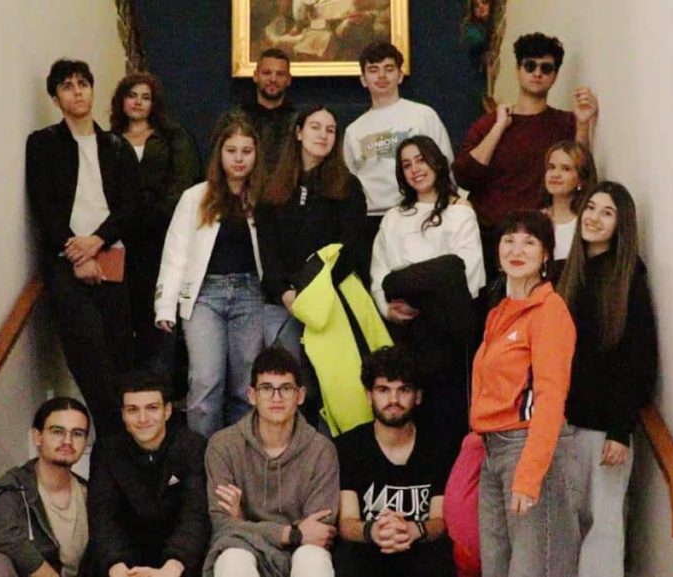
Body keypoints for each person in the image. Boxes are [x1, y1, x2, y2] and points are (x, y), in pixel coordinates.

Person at [26, 59, 140, 436]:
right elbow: (43, 205)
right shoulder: (43, 144)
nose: (77, 92)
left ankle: (122, 440)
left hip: (112, 258)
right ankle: (112, 438)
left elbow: (130, 207)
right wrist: (76, 252)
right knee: (88, 360)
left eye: (83, 84)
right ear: (55, 99)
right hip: (66, 263)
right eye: (67, 86)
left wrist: (97, 241)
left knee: (121, 357)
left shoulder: (117, 147)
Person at [556, 182, 658, 577]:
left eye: (607, 212)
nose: (594, 218)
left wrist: (620, 429)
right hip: (565, 423)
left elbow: (639, 359)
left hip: (606, 431)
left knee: (604, 525)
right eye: (590, 208)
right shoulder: (567, 276)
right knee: (567, 523)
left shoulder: (628, 277)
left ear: (621, 225)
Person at [469, 210, 579, 577]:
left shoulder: (549, 310)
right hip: (493, 451)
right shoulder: (498, 313)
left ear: (546, 254)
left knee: (534, 569)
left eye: (529, 242)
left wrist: (530, 476)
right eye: (509, 240)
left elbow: (551, 397)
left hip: (529, 448)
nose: (517, 250)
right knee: (496, 568)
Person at [452, 32, 599, 279]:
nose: (537, 73)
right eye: (530, 66)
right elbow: (464, 176)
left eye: (546, 68)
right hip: (487, 236)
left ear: (555, 75)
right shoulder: (489, 123)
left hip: (538, 238)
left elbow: (580, 172)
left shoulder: (564, 122)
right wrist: (499, 127)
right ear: (518, 70)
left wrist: (584, 124)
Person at [155, 113, 265, 438]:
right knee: (205, 380)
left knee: (246, 384)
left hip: (251, 294)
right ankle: (200, 459)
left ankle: (240, 456)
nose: (239, 159)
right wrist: (165, 306)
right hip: (204, 296)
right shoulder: (195, 197)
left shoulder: (263, 197)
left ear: (256, 155)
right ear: (219, 153)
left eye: (246, 151)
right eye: (231, 151)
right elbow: (176, 253)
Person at [370, 135, 485, 444]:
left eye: (421, 160)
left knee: (449, 421)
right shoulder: (394, 217)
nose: (415, 170)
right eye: (406, 165)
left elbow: (468, 276)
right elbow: (380, 274)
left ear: (436, 162)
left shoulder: (461, 212)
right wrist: (387, 308)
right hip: (408, 331)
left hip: (450, 332)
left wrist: (406, 282)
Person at [255, 104, 367, 394]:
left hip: (328, 301)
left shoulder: (348, 187)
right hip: (282, 302)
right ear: (298, 132)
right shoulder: (272, 186)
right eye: (315, 127)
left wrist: (314, 292)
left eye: (330, 130)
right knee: (285, 383)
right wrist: (285, 292)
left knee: (327, 387)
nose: (323, 135)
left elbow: (350, 247)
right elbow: (267, 249)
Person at [204, 347, 340, 577]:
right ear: (251, 395)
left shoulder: (321, 450)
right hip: (246, 550)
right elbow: (222, 525)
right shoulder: (223, 445)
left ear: (300, 395)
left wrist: (242, 522)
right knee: (232, 557)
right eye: (267, 388)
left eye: (286, 389)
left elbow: (319, 532)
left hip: (300, 553)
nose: (276, 398)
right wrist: (292, 533)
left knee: (313, 557)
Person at [334, 346, 455, 577]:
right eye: (383, 390)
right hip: (368, 556)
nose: (393, 399)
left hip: (421, 555)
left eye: (403, 390)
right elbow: (347, 522)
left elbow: (440, 520)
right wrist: (374, 531)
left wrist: (414, 530)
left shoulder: (439, 445)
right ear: (369, 396)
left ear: (417, 396)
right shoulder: (348, 447)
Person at [109, 72, 201, 378]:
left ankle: (163, 385)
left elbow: (184, 184)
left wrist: (153, 215)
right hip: (121, 239)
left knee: (160, 308)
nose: (138, 102)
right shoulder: (108, 140)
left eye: (145, 97)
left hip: (163, 234)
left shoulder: (173, 137)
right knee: (125, 314)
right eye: (132, 95)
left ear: (154, 103)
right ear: (121, 100)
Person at [343, 41, 455, 268]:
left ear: (400, 75)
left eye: (389, 68)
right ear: (363, 79)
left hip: (422, 213)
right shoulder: (354, 130)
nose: (381, 76)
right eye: (373, 70)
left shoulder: (423, 115)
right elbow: (348, 181)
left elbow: (446, 166)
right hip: (371, 221)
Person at [87, 372, 210, 577]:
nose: (143, 419)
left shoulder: (192, 446)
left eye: (152, 408)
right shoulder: (107, 451)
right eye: (133, 410)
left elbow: (195, 514)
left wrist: (172, 567)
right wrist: (117, 567)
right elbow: (103, 516)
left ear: (167, 411)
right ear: (123, 414)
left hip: (179, 559)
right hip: (121, 559)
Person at [0, 398, 92, 577]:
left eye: (77, 434)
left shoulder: (92, 492)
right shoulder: (11, 487)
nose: (68, 441)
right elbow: (1, 534)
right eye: (57, 432)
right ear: (37, 437)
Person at [541, 140, 597, 272]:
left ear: (581, 180)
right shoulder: (534, 219)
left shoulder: (587, 223)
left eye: (566, 169)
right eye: (551, 167)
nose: (555, 174)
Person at [240, 48, 296, 175]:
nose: (273, 79)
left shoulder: (298, 122)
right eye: (266, 73)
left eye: (280, 74)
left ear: (289, 79)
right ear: (255, 76)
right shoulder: (235, 119)